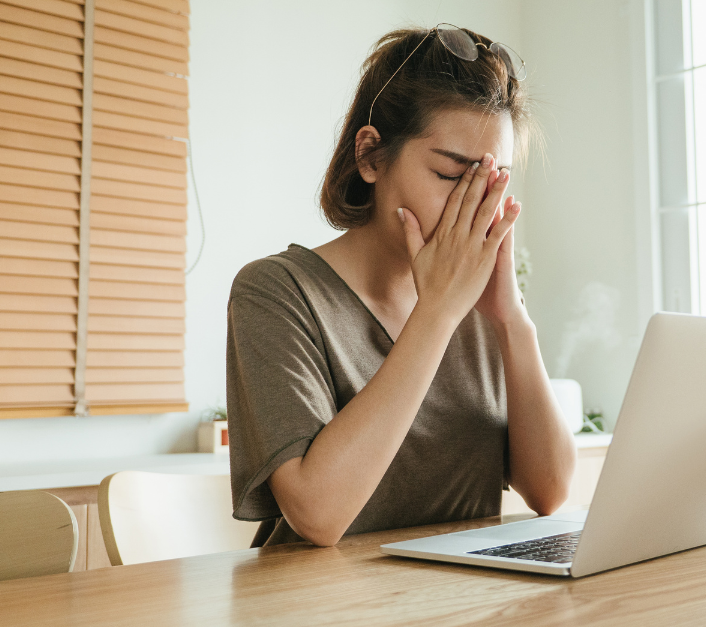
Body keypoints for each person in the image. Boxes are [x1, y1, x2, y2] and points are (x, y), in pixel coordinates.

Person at [226, 25, 576, 547]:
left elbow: (548, 491)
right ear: (370, 157)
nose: (475, 205)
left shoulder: (483, 306)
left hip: (461, 600)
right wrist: (435, 314)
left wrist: (512, 321)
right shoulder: (276, 291)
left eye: (493, 181)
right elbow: (318, 516)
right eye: (451, 176)